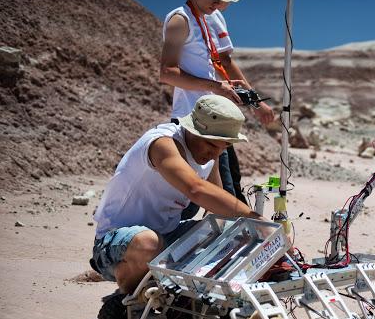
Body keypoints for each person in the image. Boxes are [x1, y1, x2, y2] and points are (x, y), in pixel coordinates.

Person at [91, 95, 262, 294]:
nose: (215, 154)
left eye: (223, 147)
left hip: (168, 237)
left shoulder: (209, 157)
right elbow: (196, 189)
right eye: (211, 145)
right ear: (192, 130)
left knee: (236, 233)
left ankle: (195, 305)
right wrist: (256, 218)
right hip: (116, 244)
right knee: (148, 243)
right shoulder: (162, 143)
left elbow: (216, 205)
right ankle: (129, 302)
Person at [159, 0, 275, 204]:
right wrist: (216, 87)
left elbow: (221, 63)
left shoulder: (206, 18)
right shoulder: (180, 20)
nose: (219, 4)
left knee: (230, 188)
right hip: (194, 123)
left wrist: (250, 99)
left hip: (213, 121)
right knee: (216, 196)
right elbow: (167, 73)